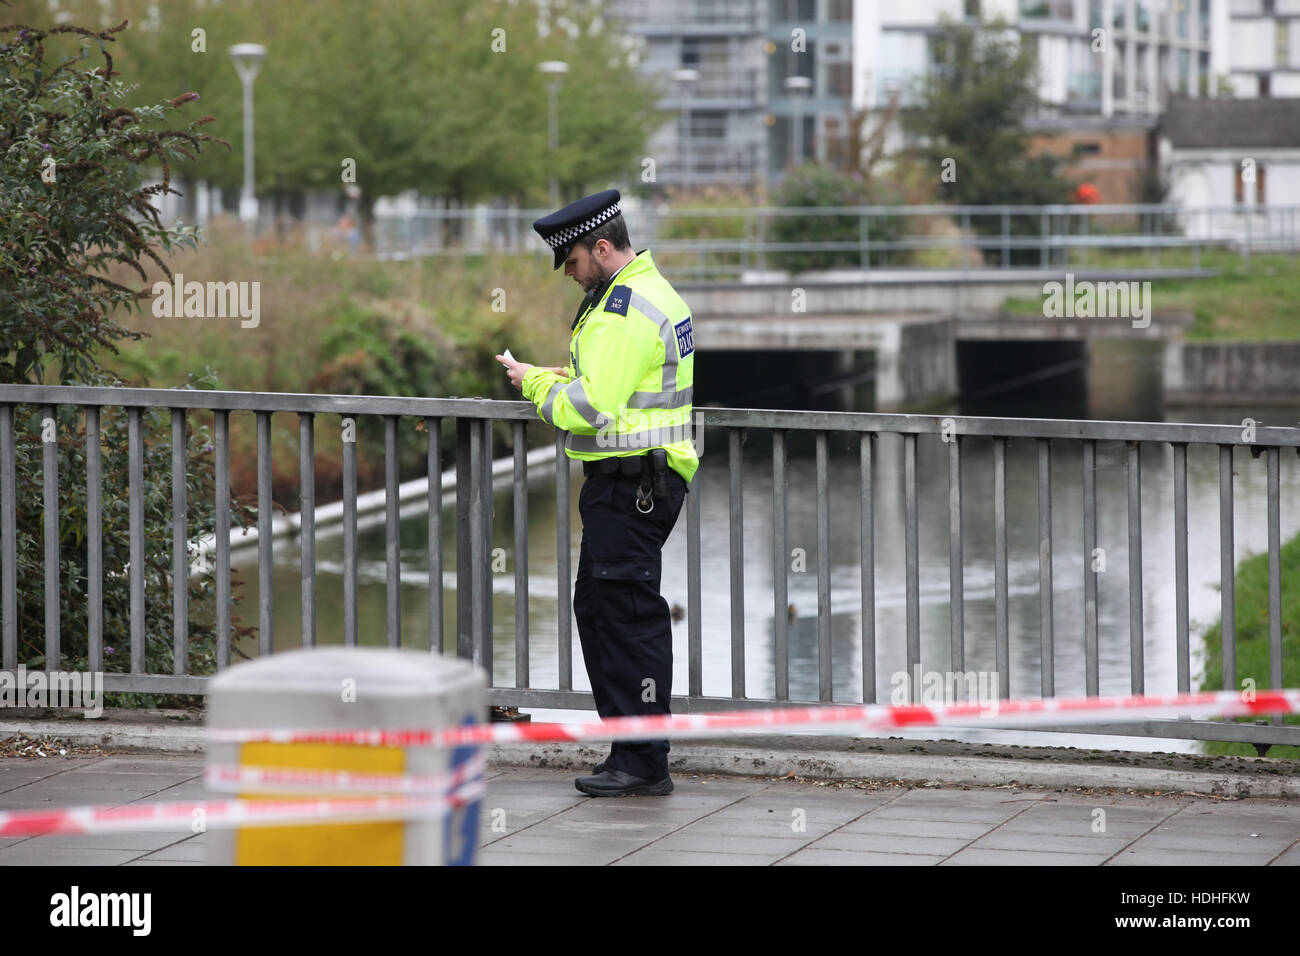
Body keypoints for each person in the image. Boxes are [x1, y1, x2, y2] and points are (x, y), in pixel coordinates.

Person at [496, 189, 698, 797]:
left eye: (574, 263)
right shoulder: (651, 292)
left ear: (601, 247)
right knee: (606, 608)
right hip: (641, 480)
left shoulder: (621, 307)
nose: (570, 276)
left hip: (632, 484)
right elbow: (618, 384)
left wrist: (534, 384)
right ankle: (634, 751)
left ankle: (642, 761)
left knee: (624, 617)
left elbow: (590, 408)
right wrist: (561, 376)